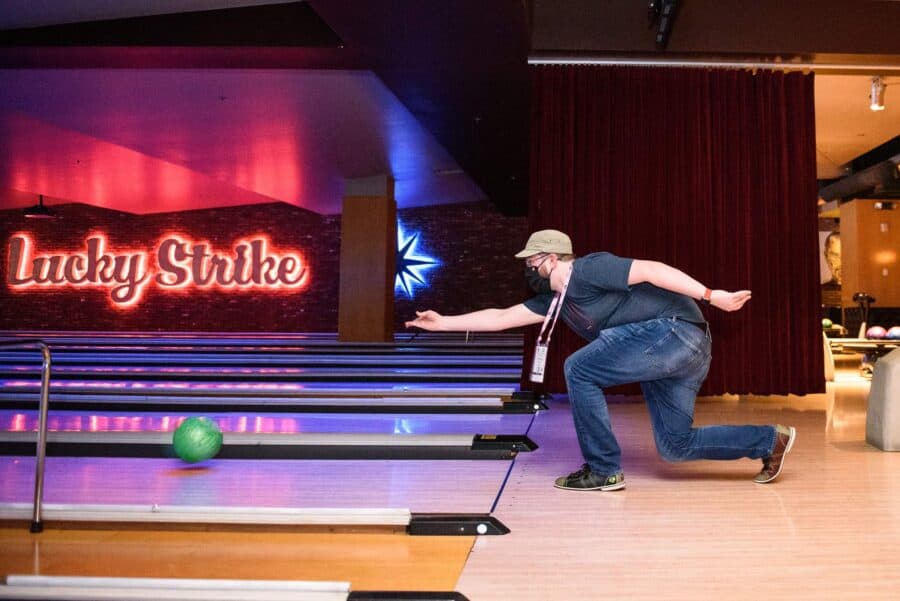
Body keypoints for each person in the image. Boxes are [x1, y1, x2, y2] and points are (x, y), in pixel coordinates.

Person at [406, 229, 796, 491]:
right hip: (676, 352)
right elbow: (501, 317)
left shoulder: (589, 268)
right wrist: (443, 324)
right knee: (676, 446)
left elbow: (652, 270)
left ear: (554, 259)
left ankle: (603, 470)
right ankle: (768, 440)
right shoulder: (555, 302)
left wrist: (713, 296)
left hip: (673, 332)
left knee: (578, 368)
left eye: (533, 264)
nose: (531, 272)